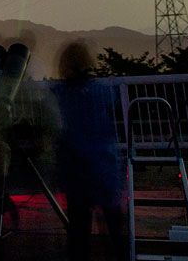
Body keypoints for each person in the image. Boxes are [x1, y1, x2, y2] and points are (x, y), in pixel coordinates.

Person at [52, 41, 126, 261]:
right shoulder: (102, 92)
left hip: (75, 170)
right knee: (114, 229)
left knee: (78, 231)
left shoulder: (60, 94)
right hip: (104, 166)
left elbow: (57, 128)